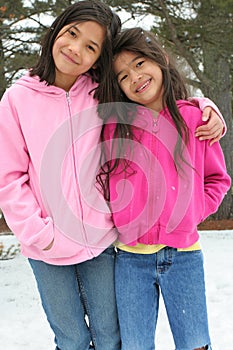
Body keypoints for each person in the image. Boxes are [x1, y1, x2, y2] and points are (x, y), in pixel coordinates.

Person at [0, 0, 226, 348]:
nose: (76, 49)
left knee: (112, 337)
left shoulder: (99, 94)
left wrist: (205, 107)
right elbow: (9, 177)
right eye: (73, 34)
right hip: (49, 247)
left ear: (97, 59)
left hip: (105, 242)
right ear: (57, 29)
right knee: (72, 338)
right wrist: (38, 233)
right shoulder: (17, 99)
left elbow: (163, 110)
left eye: (91, 47)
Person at [97, 28, 231, 350]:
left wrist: (194, 210)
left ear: (161, 60)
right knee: (135, 345)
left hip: (183, 257)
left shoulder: (195, 118)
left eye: (140, 63)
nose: (135, 77)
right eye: (124, 76)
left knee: (195, 343)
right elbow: (103, 176)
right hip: (130, 261)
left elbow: (218, 179)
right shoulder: (115, 126)